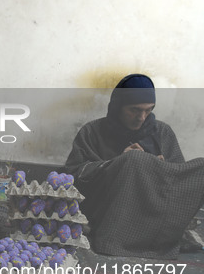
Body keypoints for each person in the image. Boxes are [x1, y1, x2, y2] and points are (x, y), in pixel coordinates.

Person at [64, 73, 204, 258]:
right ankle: (114, 240)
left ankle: (156, 240)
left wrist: (160, 169)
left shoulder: (162, 132)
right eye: (135, 110)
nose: (141, 117)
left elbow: (179, 182)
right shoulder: (92, 132)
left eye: (148, 110)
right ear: (118, 106)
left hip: (151, 216)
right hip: (109, 214)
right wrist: (117, 164)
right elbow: (71, 177)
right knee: (133, 160)